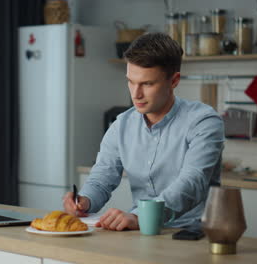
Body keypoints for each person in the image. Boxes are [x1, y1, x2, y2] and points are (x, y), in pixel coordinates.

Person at [62, 33, 224, 231]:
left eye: (147, 84)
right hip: (141, 233)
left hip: (194, 234)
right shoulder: (121, 125)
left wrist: (139, 216)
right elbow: (102, 177)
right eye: (131, 81)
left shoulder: (204, 121)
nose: (135, 94)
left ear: (174, 81)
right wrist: (84, 201)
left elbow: (192, 183)